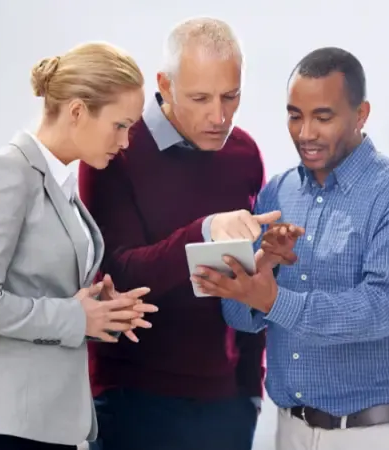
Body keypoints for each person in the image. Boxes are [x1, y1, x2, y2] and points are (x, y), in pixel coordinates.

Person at [194, 47, 389, 450]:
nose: (305, 133)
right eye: (295, 116)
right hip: (292, 431)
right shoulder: (278, 192)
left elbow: (381, 309)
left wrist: (275, 300)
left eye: (323, 118)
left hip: (376, 436)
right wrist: (258, 270)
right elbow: (242, 319)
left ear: (361, 115)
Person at [0, 42, 159, 450]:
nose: (126, 141)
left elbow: (41, 292)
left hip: (44, 422)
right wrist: (76, 316)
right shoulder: (7, 173)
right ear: (77, 112)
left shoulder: (60, 182)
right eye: (120, 125)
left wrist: (99, 312)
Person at [78, 17, 276, 450]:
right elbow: (119, 274)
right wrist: (204, 231)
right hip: (131, 400)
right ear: (165, 85)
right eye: (200, 98)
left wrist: (250, 392)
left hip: (226, 406)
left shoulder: (244, 154)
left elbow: (248, 280)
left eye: (231, 96)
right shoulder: (115, 149)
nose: (219, 116)